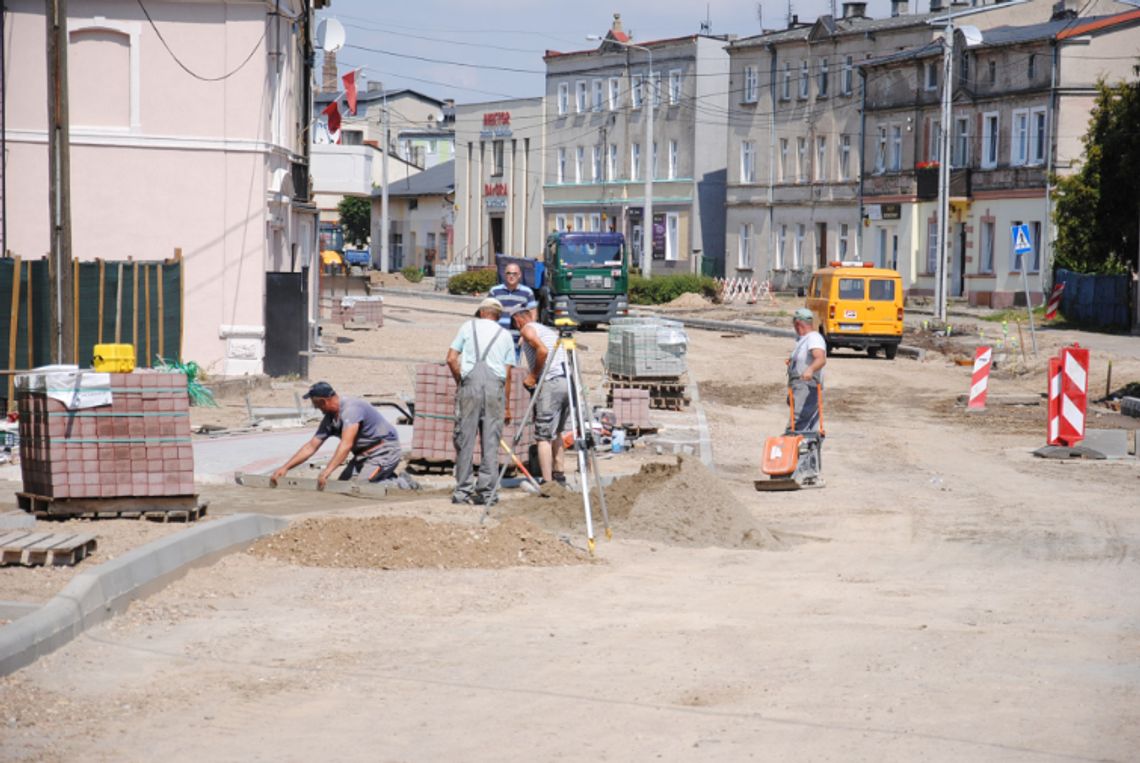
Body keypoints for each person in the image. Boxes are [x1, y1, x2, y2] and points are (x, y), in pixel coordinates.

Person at [271, 382, 418, 490]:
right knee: (341, 487)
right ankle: (386, 476)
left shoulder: (351, 409)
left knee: (361, 486)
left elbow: (346, 445)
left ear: (323, 401)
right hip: (362, 456)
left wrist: (327, 471)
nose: (315, 408)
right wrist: (285, 468)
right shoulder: (330, 418)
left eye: (315, 404)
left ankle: (402, 484)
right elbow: (311, 446)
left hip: (384, 450)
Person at [446, 297, 516, 506]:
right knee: (491, 442)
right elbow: (508, 374)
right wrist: (506, 406)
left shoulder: (468, 327)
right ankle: (487, 493)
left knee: (465, 438)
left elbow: (450, 358)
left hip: (470, 386)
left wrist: (461, 380)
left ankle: (463, 491)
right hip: (495, 388)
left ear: (482, 312)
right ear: (497, 315)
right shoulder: (505, 335)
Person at [514, 306, 569, 485]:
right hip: (566, 380)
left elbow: (543, 351)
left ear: (518, 319)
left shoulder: (527, 329)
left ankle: (547, 481)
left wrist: (533, 376)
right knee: (558, 431)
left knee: (543, 436)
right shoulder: (545, 330)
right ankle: (559, 474)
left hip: (550, 382)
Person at [787, 307, 827, 433]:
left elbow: (820, 358)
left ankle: (792, 447)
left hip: (807, 387)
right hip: (800, 388)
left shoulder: (813, 337)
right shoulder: (805, 340)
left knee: (797, 424)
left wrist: (810, 370)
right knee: (802, 424)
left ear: (797, 323)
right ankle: (803, 449)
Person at [489, 262, 537, 346]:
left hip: (517, 338)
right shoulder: (494, 291)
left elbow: (533, 315)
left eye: (515, 273)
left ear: (519, 275)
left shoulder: (527, 292)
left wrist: (525, 334)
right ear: (504, 275)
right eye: (509, 273)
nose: (511, 276)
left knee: (515, 359)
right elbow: (488, 314)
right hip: (497, 337)